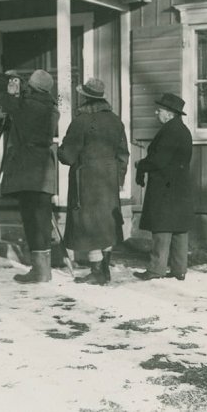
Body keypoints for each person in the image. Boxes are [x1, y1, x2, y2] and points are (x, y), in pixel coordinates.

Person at [0, 69, 59, 284]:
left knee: (31, 219)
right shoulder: (51, 108)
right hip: (45, 166)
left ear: (33, 86)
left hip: (27, 168)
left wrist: (7, 76)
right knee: (42, 218)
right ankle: (43, 270)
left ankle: (40, 272)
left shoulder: (26, 106)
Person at [58, 78, 129, 285]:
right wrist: (118, 178)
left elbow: (68, 156)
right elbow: (123, 155)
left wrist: (59, 150)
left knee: (89, 225)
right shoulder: (116, 121)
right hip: (109, 181)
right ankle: (104, 271)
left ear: (85, 98)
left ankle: (97, 271)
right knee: (106, 224)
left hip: (86, 181)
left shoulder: (81, 121)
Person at [133, 93, 194, 281]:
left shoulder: (170, 131)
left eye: (159, 110)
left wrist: (141, 165)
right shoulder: (182, 130)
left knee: (162, 227)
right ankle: (179, 269)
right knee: (178, 228)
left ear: (169, 113)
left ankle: (156, 269)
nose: (156, 112)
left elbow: (159, 160)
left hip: (165, 186)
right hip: (180, 186)